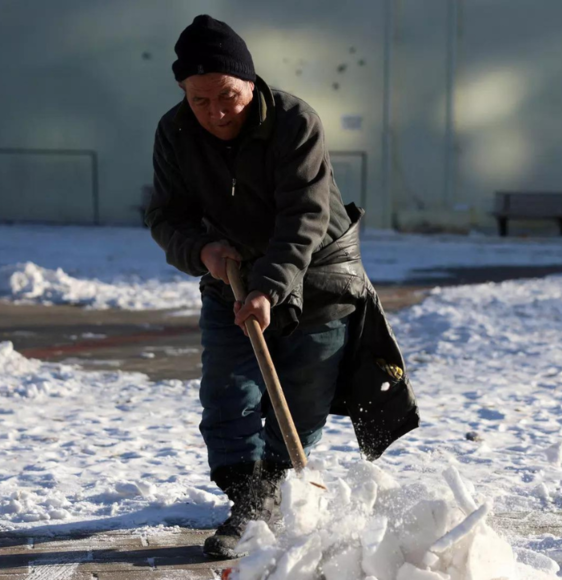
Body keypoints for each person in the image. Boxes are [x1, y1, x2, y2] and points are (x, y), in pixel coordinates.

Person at [146, 14, 419, 559]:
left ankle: (273, 495)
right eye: (199, 100)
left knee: (300, 402)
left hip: (320, 276)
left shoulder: (294, 122)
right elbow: (165, 216)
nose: (216, 112)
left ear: (250, 82)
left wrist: (268, 289)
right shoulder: (175, 132)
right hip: (231, 274)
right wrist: (202, 252)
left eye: (227, 95)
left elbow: (303, 218)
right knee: (227, 396)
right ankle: (249, 507)